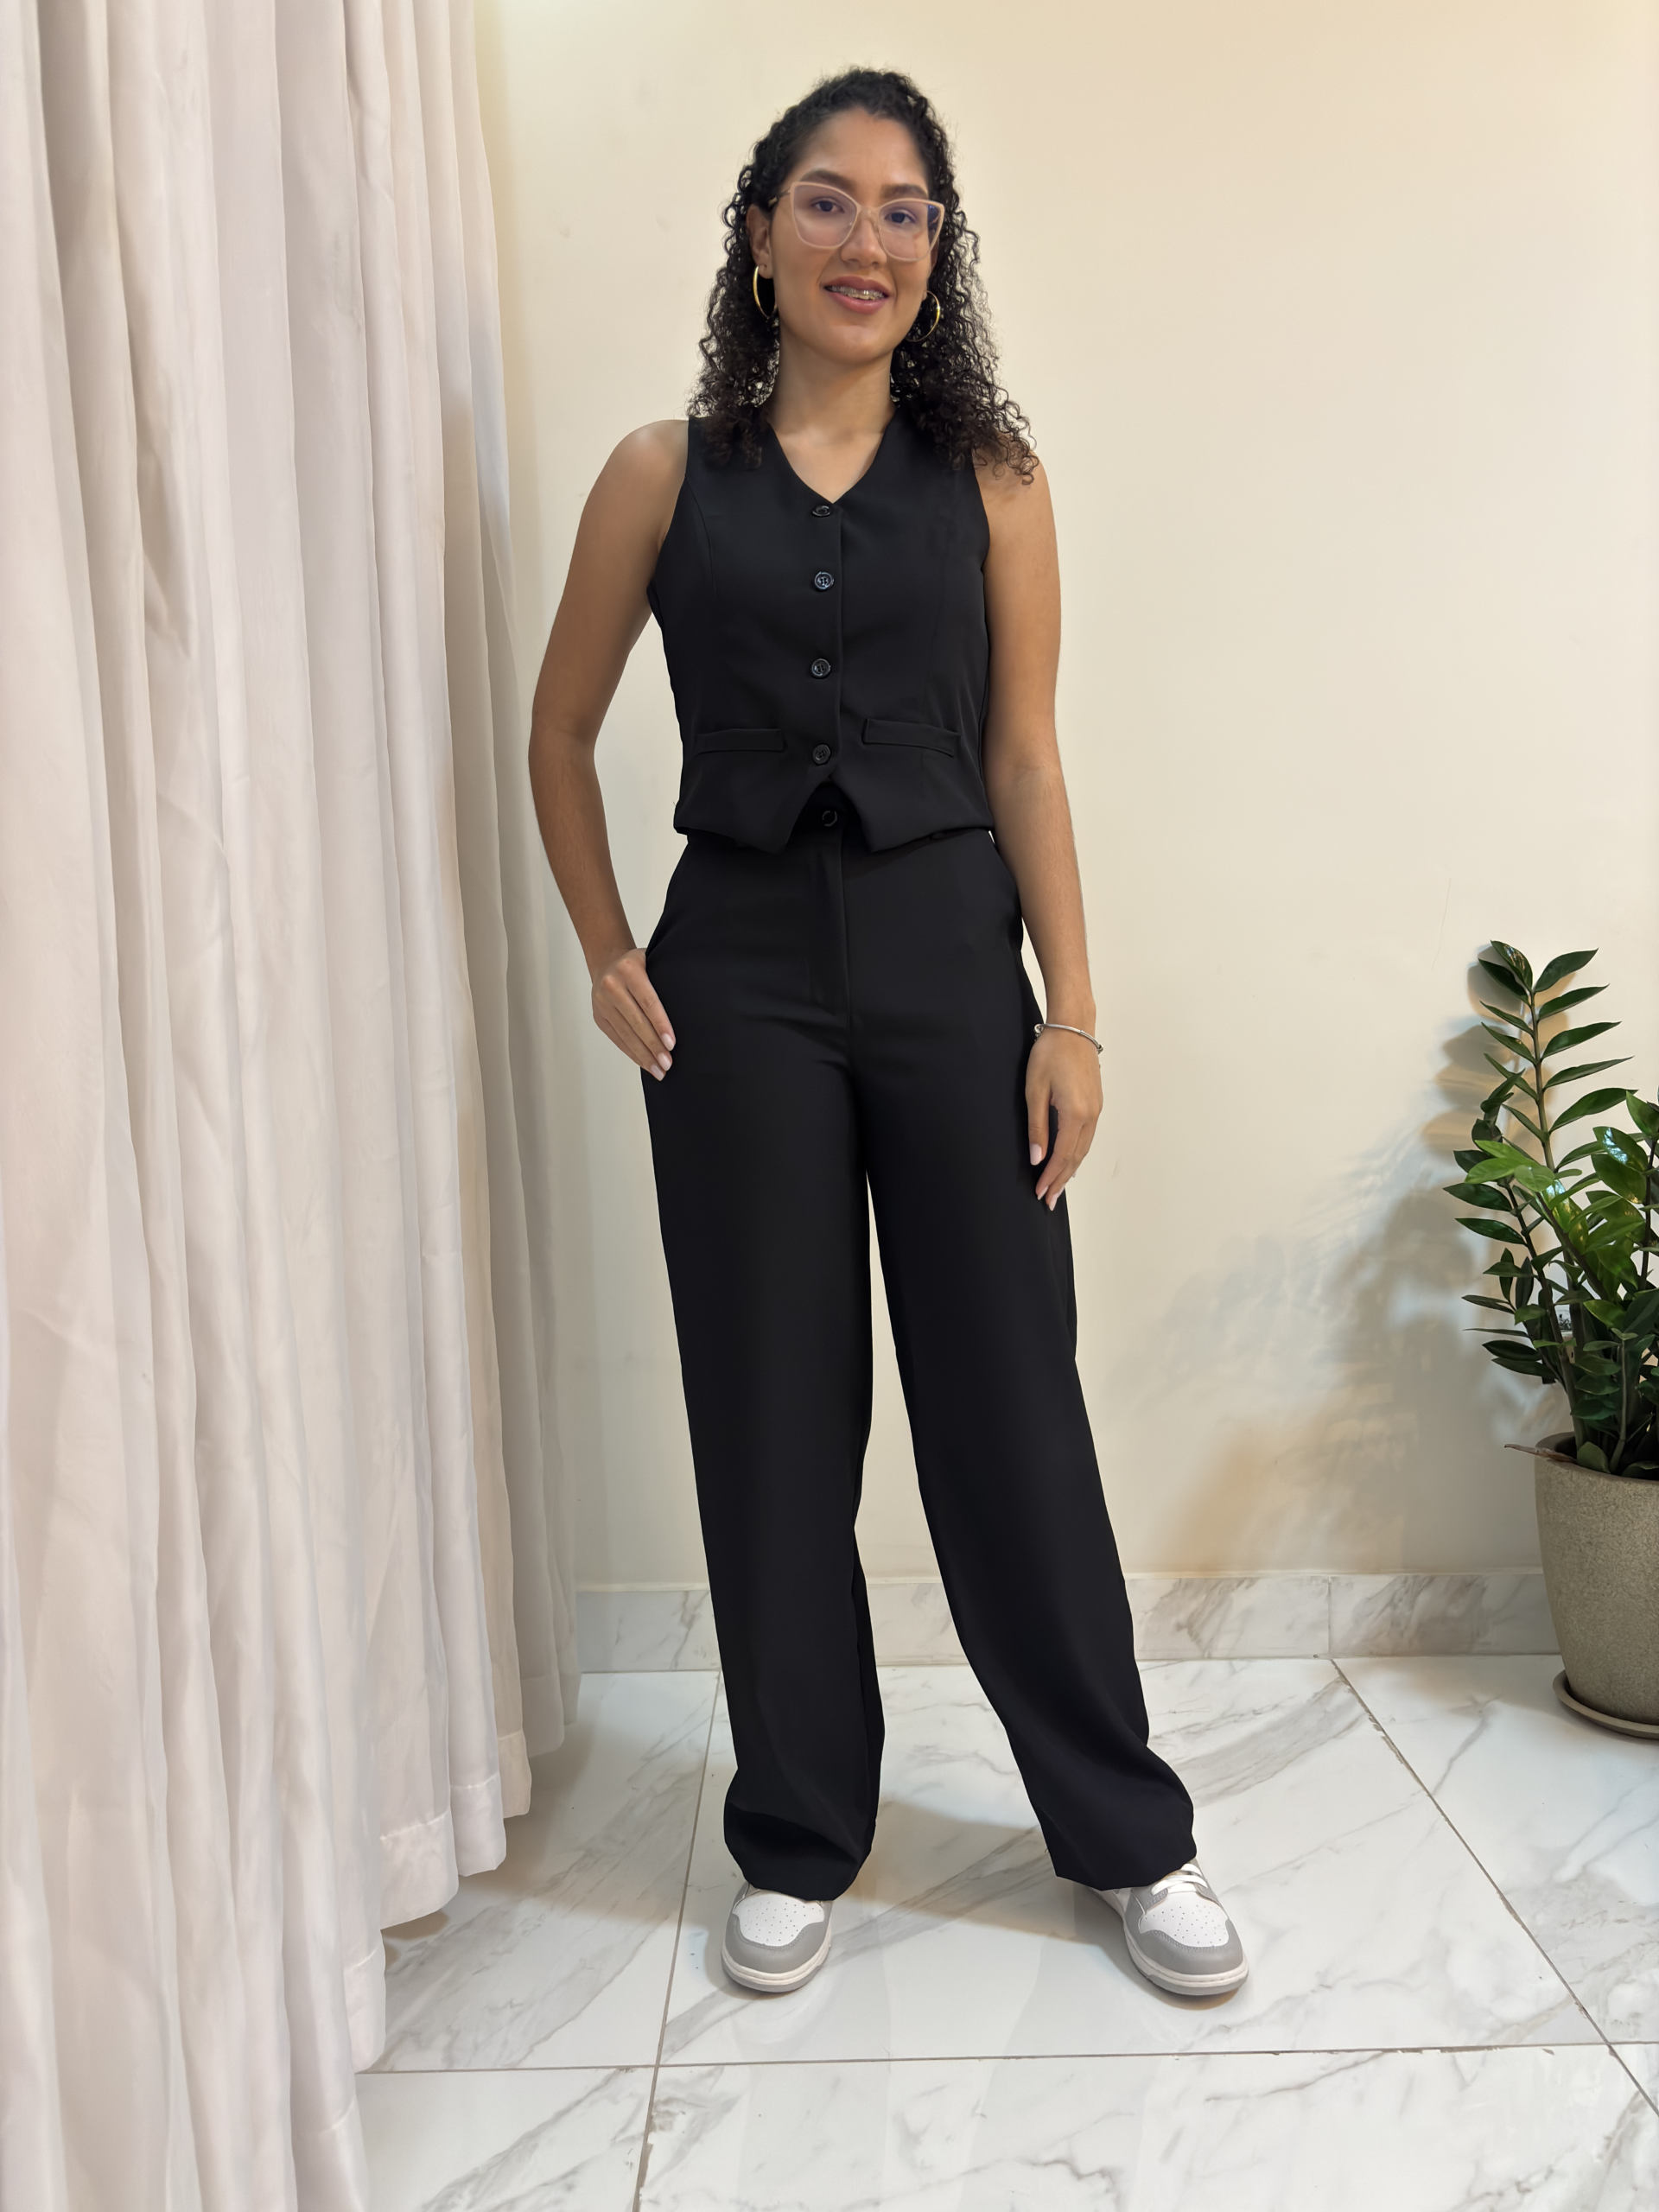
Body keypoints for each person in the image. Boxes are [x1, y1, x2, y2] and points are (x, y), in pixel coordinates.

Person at [528, 67, 1247, 2003]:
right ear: (760, 235)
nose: (869, 240)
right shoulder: (661, 474)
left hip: (949, 965)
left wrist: (1072, 1014)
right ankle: (796, 1829)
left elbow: (1026, 756)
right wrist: (604, 943)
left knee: (1011, 1404)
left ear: (940, 249)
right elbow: (559, 731)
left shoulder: (995, 480)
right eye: (829, 202)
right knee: (772, 1412)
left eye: (905, 209)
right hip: (737, 981)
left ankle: (1129, 1833)